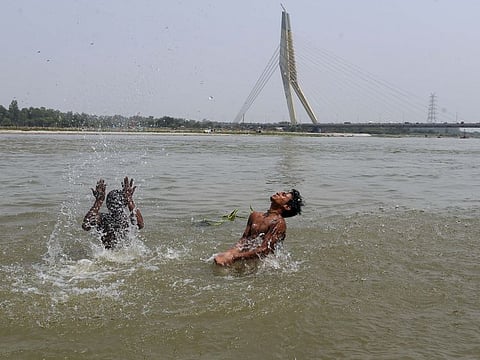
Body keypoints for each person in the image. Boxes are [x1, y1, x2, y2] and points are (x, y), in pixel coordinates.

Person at [214, 189, 304, 266]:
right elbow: (244, 240)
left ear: (287, 206)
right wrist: (229, 253)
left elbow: (265, 250)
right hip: (245, 256)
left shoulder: (279, 223)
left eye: (284, 195)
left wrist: (234, 258)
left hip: (263, 263)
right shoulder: (254, 215)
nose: (279, 192)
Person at [82, 176, 144, 249]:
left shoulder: (102, 218)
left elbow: (86, 225)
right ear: (124, 204)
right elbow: (140, 224)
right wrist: (130, 200)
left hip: (106, 254)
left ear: (107, 204)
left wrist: (98, 201)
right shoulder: (126, 220)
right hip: (124, 254)